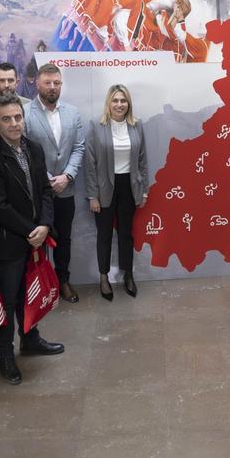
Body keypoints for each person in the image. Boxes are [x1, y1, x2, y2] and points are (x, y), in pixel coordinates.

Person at [0, 94, 63, 386]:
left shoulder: (34, 149)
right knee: (8, 299)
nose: (14, 124)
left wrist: (45, 225)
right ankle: (5, 354)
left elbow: (45, 191)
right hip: (10, 243)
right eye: (7, 119)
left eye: (18, 117)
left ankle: (31, 339)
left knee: (32, 292)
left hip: (36, 237)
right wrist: (31, 230)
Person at [25, 64, 85, 303]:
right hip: (38, 191)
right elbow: (25, 150)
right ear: (37, 84)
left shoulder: (73, 113)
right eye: (47, 83)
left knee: (64, 239)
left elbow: (79, 147)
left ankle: (62, 282)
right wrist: (48, 178)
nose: (52, 87)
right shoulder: (25, 112)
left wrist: (67, 176)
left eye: (56, 83)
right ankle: (39, 287)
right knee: (37, 239)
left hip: (66, 189)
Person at [85, 84, 148, 300]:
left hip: (129, 187)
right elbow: (90, 163)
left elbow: (142, 160)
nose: (119, 104)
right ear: (108, 103)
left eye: (123, 100)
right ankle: (104, 278)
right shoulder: (96, 125)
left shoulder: (137, 125)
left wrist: (144, 190)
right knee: (104, 235)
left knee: (125, 234)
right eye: (115, 100)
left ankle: (128, 275)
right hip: (104, 189)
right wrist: (92, 195)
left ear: (128, 103)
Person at [0, 62, 30, 129]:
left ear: (17, 82)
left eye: (10, 80)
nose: (6, 85)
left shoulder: (29, 106)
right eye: (2, 80)